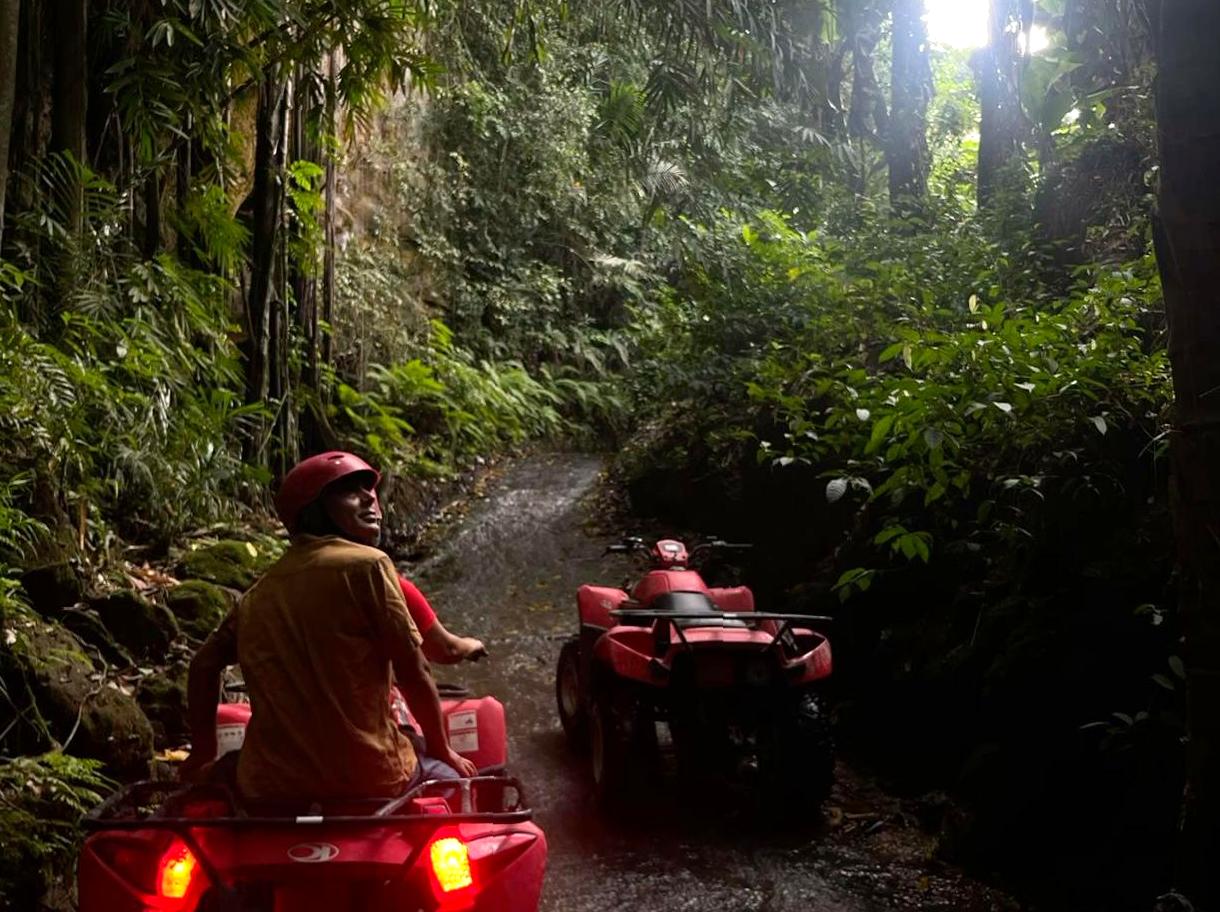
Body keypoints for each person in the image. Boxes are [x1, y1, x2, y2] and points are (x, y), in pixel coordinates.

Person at [182, 451, 477, 798]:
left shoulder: (258, 593)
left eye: (369, 491)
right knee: (457, 781)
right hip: (372, 777)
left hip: (270, 787)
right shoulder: (370, 566)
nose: (370, 498)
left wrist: (200, 755)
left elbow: (203, 665)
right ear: (314, 511)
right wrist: (442, 750)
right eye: (350, 491)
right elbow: (414, 671)